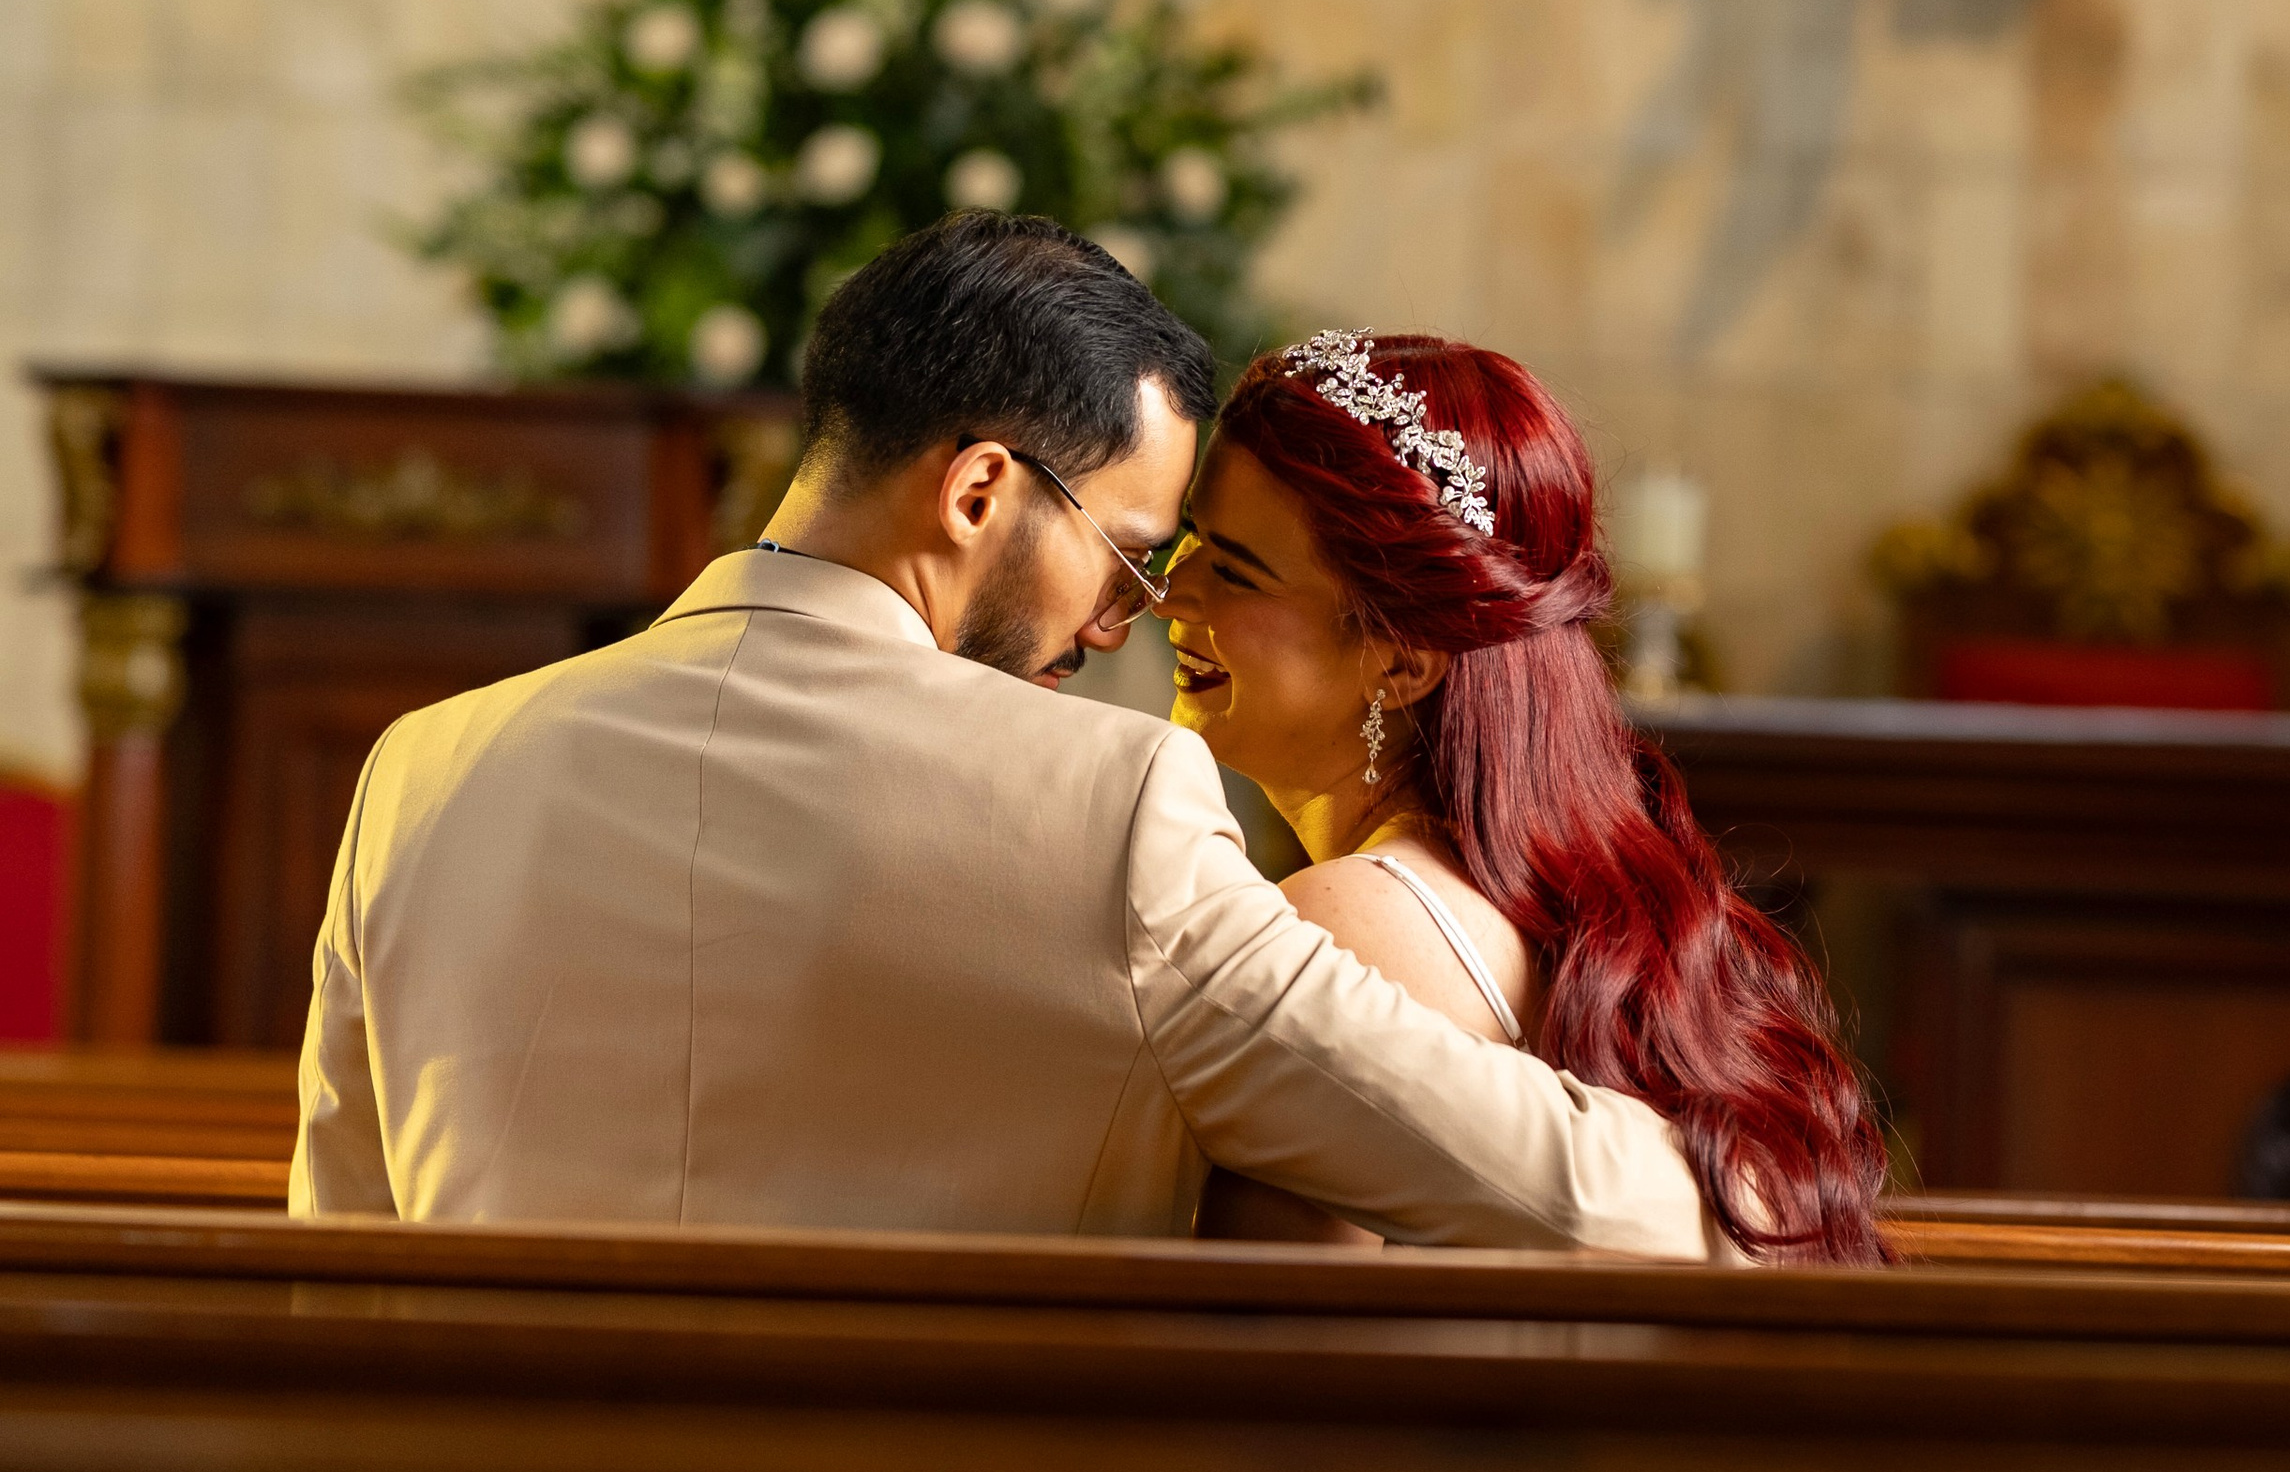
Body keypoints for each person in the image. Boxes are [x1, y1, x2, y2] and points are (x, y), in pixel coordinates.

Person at [289, 218, 1715, 1254]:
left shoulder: (422, 768)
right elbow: (1577, 1200)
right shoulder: (1114, 812)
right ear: (979, 491)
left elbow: (338, 1268)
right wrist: (1731, 1137)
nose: (1121, 625)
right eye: (1131, 554)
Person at [1162, 332, 1885, 1262]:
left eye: (1230, 568)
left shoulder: (1348, 927)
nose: (1166, 592)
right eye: (1187, 541)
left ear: (1400, 662)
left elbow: (1264, 1357)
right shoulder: (1556, 891)